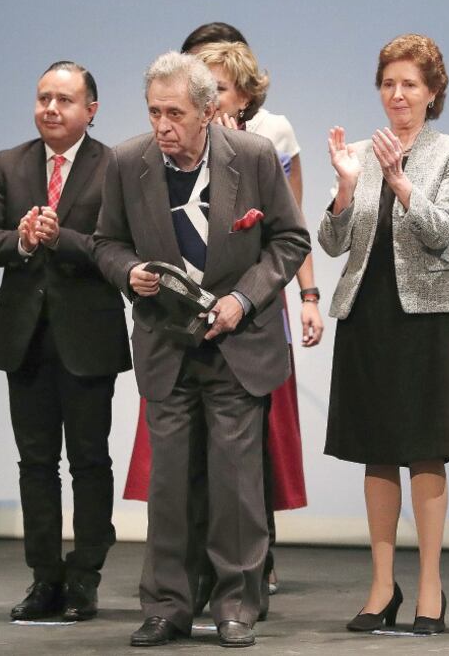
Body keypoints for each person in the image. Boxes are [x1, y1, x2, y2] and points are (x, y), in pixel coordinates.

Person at [93, 51, 309, 648]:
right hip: (167, 343)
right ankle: (167, 605)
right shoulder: (127, 161)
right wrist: (129, 269)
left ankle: (236, 604)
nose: (162, 126)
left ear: (209, 112)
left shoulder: (256, 158)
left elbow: (289, 240)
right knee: (168, 485)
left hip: (238, 342)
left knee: (237, 485)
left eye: (175, 113)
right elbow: (106, 242)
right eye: (154, 112)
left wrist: (243, 298)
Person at [319, 33, 449, 636]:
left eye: (410, 83)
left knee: (426, 447)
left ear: (432, 92)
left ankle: (431, 588)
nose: (398, 94)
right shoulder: (360, 152)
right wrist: (342, 186)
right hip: (368, 311)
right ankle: (382, 586)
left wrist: (399, 180)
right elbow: (333, 244)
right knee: (376, 447)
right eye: (388, 83)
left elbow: (442, 232)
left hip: (428, 315)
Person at [0, 61, 131, 622]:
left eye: (64, 100)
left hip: (88, 335)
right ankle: (44, 577)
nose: (51, 109)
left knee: (89, 461)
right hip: (26, 337)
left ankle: (85, 577)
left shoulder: (115, 165)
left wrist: (59, 238)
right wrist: (19, 238)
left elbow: (119, 249)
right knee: (35, 463)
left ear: (91, 109)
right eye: (43, 98)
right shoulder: (7, 164)